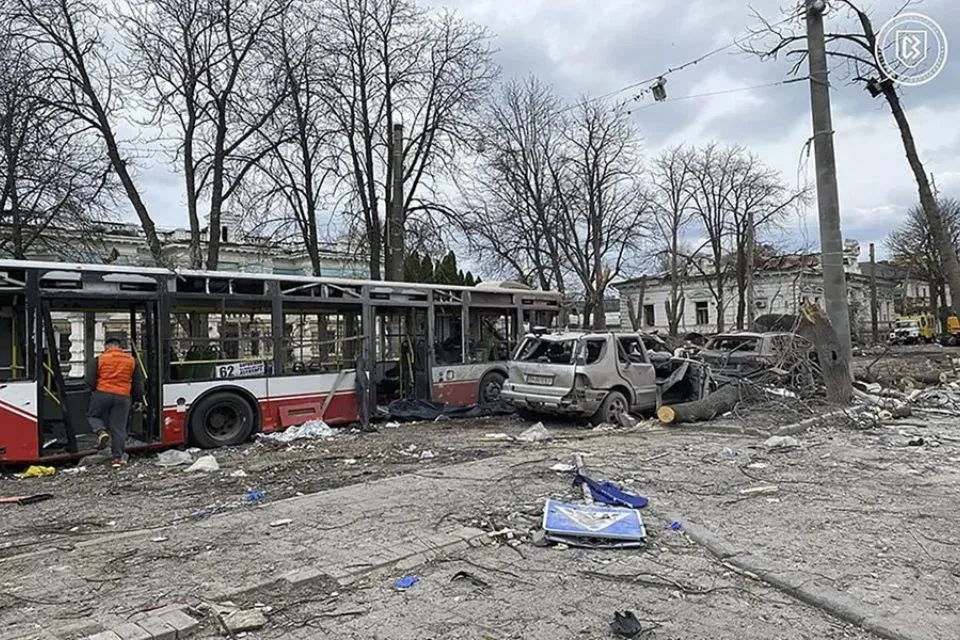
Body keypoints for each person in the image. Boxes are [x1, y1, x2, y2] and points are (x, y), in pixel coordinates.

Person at [85, 338, 143, 467]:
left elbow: (89, 380)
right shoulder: (131, 361)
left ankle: (101, 432)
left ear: (107, 347)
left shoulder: (99, 359)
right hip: (123, 397)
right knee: (119, 428)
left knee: (93, 415)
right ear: (119, 347)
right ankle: (117, 459)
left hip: (102, 393)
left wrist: (96, 390)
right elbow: (137, 384)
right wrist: (138, 399)